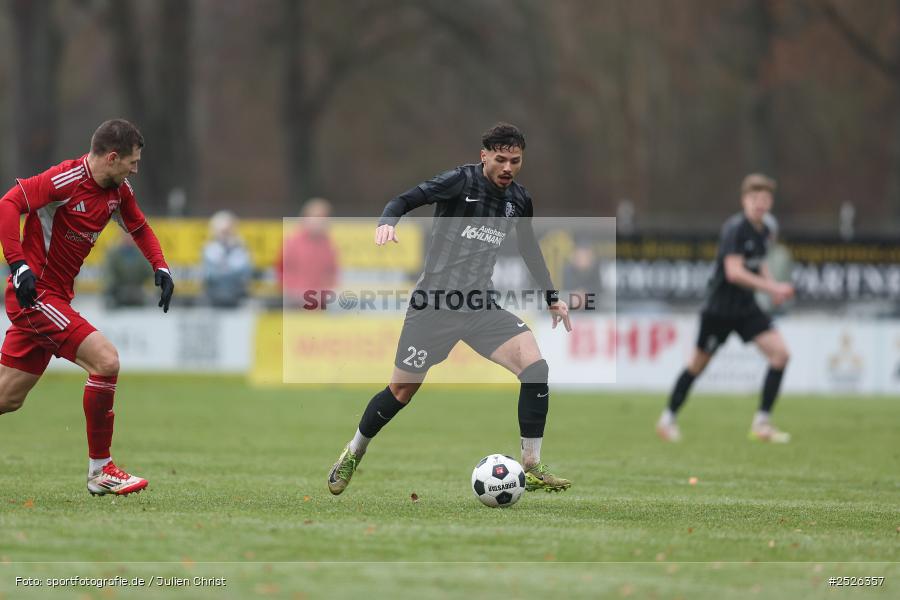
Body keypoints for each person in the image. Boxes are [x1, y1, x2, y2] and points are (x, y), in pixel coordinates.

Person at [327, 123, 573, 495]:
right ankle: (354, 450)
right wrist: (387, 221)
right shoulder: (460, 182)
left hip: (480, 306)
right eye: (501, 159)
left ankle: (532, 465)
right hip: (435, 306)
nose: (508, 168)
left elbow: (528, 248)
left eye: (516, 161)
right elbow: (405, 199)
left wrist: (552, 296)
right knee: (401, 391)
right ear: (484, 155)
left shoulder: (520, 200)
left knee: (535, 367)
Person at [0, 119, 174, 495]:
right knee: (106, 361)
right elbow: (8, 204)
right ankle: (101, 470)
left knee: (7, 398)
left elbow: (139, 228)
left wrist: (159, 265)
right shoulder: (65, 180)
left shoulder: (117, 191)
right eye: (132, 161)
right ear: (112, 158)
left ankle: (101, 471)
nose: (135, 168)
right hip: (36, 296)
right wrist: (18, 265)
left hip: (56, 297)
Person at [656, 174, 794, 443]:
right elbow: (734, 273)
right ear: (744, 200)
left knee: (781, 355)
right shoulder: (735, 229)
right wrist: (772, 289)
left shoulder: (765, 230)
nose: (760, 204)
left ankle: (762, 423)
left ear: (770, 202)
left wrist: (772, 284)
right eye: (754, 199)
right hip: (719, 310)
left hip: (746, 308)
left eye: (765, 199)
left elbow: (760, 262)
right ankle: (667, 419)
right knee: (697, 366)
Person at [277, 198, 338, 307]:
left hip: (319, 301)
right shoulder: (292, 242)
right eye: (317, 217)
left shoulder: (329, 245)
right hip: (294, 301)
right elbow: (281, 271)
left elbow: (333, 273)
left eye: (325, 217)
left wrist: (325, 293)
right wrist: (292, 292)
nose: (321, 221)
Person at [201, 210, 253, 308]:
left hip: (237, 300)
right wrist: (229, 270)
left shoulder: (242, 249)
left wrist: (223, 269)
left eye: (228, 231)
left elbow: (245, 274)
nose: (226, 235)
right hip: (213, 300)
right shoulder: (209, 249)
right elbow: (209, 275)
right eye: (223, 231)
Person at [103, 231, 151, 308]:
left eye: (131, 235)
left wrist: (152, 288)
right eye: (126, 235)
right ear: (121, 236)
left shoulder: (142, 254)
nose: (128, 238)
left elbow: (152, 273)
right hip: (119, 293)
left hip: (138, 293)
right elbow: (108, 275)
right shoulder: (113, 255)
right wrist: (111, 290)